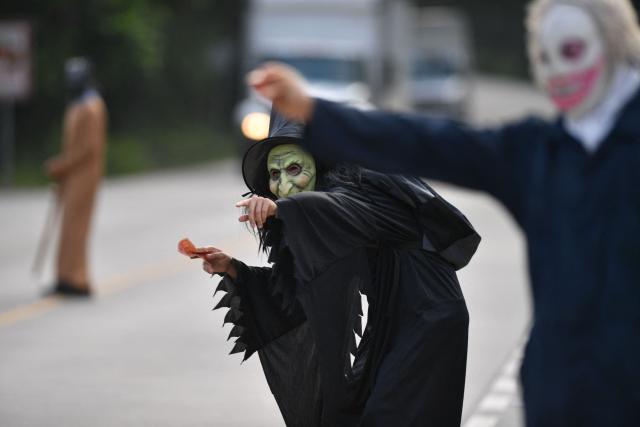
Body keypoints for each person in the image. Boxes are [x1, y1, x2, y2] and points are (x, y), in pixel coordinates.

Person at [247, 0, 640, 425]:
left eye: (571, 51)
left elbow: (346, 207)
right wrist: (315, 112)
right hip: (558, 390)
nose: (558, 71)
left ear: (614, 46)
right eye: (545, 57)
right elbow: (426, 141)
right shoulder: (537, 153)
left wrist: (286, 199)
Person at [201, 110, 480, 426]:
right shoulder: (314, 217)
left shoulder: (357, 188)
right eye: (275, 175)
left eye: (294, 169)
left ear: (318, 164)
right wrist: (233, 269)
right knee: (352, 412)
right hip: (391, 320)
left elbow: (340, 209)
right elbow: (295, 293)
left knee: (385, 416)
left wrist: (283, 208)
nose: (284, 184)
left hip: (430, 316)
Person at [44, 57, 107, 297]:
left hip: (85, 175)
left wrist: (62, 165)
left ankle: (78, 278)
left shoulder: (92, 106)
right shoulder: (77, 105)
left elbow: (87, 148)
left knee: (77, 227)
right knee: (67, 227)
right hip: (72, 176)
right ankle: (64, 276)